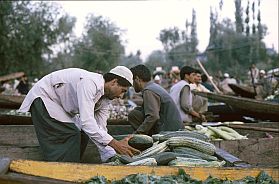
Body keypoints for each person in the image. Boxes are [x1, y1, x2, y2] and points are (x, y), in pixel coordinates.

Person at [18, 66, 140, 163]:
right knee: (69, 133)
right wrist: (115, 143)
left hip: (61, 106)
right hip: (44, 97)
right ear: (114, 82)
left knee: (83, 134)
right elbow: (87, 122)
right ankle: (61, 172)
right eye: (122, 91)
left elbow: (100, 128)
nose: (121, 96)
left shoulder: (106, 99)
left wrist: (110, 155)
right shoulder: (90, 83)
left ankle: (73, 166)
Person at [128, 64, 183, 135]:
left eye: (132, 81)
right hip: (172, 126)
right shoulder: (153, 86)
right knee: (137, 111)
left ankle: (149, 138)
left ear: (137, 79)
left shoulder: (148, 91)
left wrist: (138, 133)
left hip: (170, 130)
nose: (132, 84)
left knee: (133, 114)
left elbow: (153, 116)